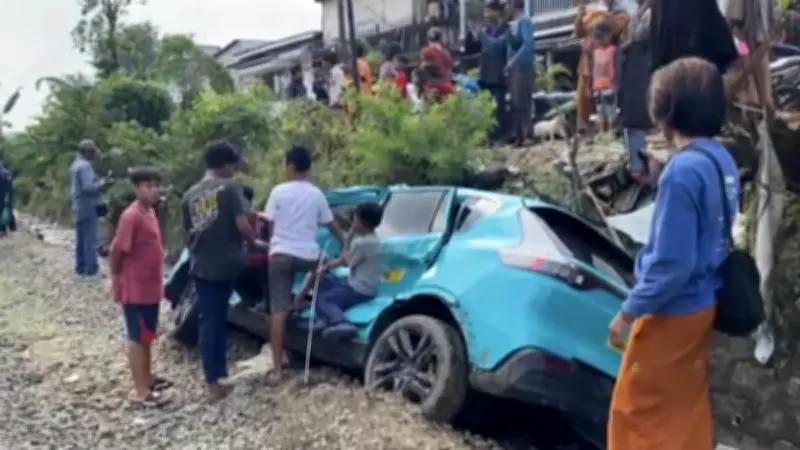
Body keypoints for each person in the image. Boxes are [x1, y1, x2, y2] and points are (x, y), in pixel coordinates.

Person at [607, 57, 739, 450]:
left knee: (636, 413)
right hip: (704, 304)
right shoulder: (720, 159)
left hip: (672, 309)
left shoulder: (682, 173)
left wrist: (627, 312)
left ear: (665, 112)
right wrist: (661, 176)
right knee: (683, 410)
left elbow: (671, 265)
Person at [181, 139, 260, 402]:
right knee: (265, 287)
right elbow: (243, 226)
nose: (235, 171)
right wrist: (256, 243)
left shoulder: (189, 195)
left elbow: (189, 230)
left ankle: (214, 379)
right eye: (234, 166)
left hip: (203, 265)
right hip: (232, 263)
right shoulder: (230, 188)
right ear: (226, 165)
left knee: (210, 322)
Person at [262, 145, 348, 385]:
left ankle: (278, 369)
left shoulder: (278, 191)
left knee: (277, 311)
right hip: (308, 255)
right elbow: (331, 225)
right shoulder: (316, 194)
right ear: (309, 168)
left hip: (280, 254)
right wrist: (345, 244)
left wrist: (268, 245)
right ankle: (302, 298)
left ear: (289, 166)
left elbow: (267, 224)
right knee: (323, 265)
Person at [108, 168, 170, 407]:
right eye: (148, 185)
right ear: (136, 188)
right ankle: (141, 391)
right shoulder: (131, 216)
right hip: (135, 288)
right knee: (137, 336)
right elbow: (117, 250)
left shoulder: (150, 213)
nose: (153, 190)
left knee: (147, 334)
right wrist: (115, 275)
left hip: (150, 287)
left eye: (155, 185)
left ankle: (147, 377)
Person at [295, 202, 384, 339]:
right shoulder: (374, 240)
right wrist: (325, 268)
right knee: (323, 280)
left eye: (354, 219)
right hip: (365, 286)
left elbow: (345, 260)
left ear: (360, 222)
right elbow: (343, 260)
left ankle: (340, 322)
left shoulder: (362, 243)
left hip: (359, 289)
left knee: (325, 300)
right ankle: (324, 320)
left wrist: (349, 235)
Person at [573, 0, 629, 133]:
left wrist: (602, 17)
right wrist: (580, 16)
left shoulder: (620, 14)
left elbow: (616, 28)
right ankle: (583, 127)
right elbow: (579, 32)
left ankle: (610, 129)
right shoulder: (592, 11)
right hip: (589, 61)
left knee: (609, 104)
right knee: (583, 94)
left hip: (608, 64)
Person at [617, 0, 653, 177]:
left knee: (642, 117)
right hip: (633, 72)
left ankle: (643, 164)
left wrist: (630, 42)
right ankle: (635, 163)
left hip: (643, 70)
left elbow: (641, 37)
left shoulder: (652, 12)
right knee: (632, 119)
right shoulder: (637, 15)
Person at [70, 139, 105, 278]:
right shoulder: (85, 166)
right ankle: (91, 269)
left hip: (77, 205)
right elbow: (88, 187)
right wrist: (102, 183)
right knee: (91, 237)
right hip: (88, 206)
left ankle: (81, 267)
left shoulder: (75, 164)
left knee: (81, 237)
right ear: (88, 152)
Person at [476, 1, 509, 145]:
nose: (487, 15)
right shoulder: (486, 30)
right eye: (485, 12)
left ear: (497, 12)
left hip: (498, 75)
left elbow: (496, 46)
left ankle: (501, 137)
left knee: (499, 107)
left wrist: (481, 35)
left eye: (489, 12)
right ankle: (489, 136)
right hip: (485, 75)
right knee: (487, 108)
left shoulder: (504, 29)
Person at [505, 0, 535, 147]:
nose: (505, 7)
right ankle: (518, 136)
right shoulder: (510, 24)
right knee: (514, 101)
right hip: (512, 69)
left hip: (523, 66)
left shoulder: (525, 21)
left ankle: (528, 134)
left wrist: (513, 61)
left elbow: (528, 44)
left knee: (523, 100)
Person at [591, 21, 617, 133]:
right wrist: (591, 86)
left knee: (610, 110)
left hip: (609, 85)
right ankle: (602, 132)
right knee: (599, 110)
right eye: (597, 37)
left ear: (609, 35)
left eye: (601, 37)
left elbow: (617, 68)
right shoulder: (595, 52)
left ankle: (611, 131)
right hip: (597, 86)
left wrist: (617, 83)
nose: (600, 40)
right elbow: (593, 69)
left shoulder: (613, 50)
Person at [0, 162, 14, 237]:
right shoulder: (7, 173)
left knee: (4, 213)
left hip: (4, 196)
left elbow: (9, 186)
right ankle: (6, 229)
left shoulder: (5, 174)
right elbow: (10, 186)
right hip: (6, 196)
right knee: (6, 212)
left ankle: (3, 230)